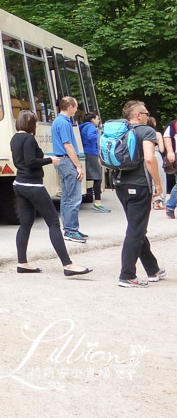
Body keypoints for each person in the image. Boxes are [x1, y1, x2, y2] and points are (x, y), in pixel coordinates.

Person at [10, 110, 91, 276]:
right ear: (30, 124)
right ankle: (67, 265)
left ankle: (22, 262)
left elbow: (25, 160)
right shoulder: (29, 139)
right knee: (53, 222)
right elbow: (32, 162)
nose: (38, 125)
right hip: (33, 185)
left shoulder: (15, 138)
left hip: (19, 183)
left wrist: (44, 156)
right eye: (35, 122)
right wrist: (50, 160)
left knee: (25, 224)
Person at [115, 101, 166, 287]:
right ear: (138, 115)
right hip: (139, 186)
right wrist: (158, 185)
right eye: (146, 112)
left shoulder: (120, 130)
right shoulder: (146, 131)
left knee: (137, 228)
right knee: (136, 231)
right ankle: (127, 275)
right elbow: (150, 158)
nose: (147, 115)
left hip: (120, 184)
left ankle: (153, 270)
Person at [52, 96, 86, 243]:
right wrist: (78, 166)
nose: (77, 109)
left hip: (61, 160)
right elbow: (68, 145)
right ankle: (71, 230)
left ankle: (69, 228)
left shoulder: (57, 121)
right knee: (74, 197)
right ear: (70, 107)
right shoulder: (64, 123)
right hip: (67, 160)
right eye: (76, 106)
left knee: (66, 197)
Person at [78, 111, 109, 213]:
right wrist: (101, 134)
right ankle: (97, 203)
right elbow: (92, 137)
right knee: (97, 177)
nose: (98, 120)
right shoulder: (91, 127)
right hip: (92, 152)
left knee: (91, 176)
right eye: (97, 118)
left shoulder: (82, 127)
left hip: (86, 152)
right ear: (92, 119)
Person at [163, 117, 177, 218]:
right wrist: (170, 151)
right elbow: (167, 136)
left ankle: (170, 206)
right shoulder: (174, 124)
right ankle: (170, 206)